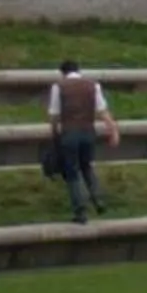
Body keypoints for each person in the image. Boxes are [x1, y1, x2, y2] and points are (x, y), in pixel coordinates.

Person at [47, 60, 114, 225]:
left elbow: (54, 114)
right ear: (79, 70)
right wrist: (113, 130)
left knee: (72, 173)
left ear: (62, 72)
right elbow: (102, 111)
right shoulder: (93, 85)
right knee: (87, 166)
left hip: (69, 133)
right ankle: (98, 200)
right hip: (88, 132)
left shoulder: (59, 87)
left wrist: (54, 132)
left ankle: (80, 211)